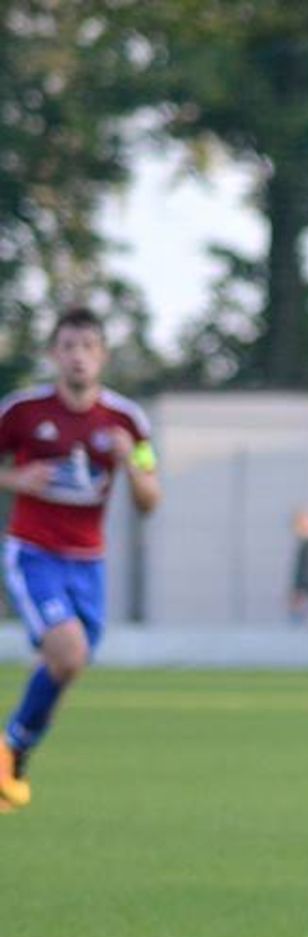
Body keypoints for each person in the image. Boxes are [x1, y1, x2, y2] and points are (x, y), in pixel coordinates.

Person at [0, 306, 161, 812]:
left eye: (88, 347)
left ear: (102, 357)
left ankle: (14, 752)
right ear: (53, 355)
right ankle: (10, 750)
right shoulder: (22, 413)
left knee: (68, 667)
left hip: (89, 562)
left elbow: (150, 498)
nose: (78, 358)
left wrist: (129, 467)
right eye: (68, 347)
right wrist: (15, 481)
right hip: (33, 552)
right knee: (67, 653)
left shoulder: (127, 423)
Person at [288, 506, 308, 623]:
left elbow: (307, 572)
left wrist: (301, 592)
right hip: (306, 591)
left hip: (307, 592)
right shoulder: (306, 545)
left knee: (305, 623)